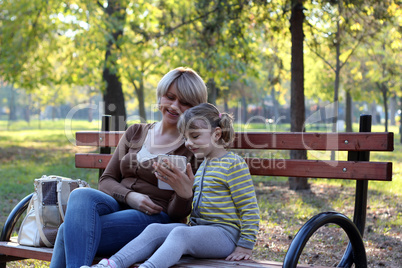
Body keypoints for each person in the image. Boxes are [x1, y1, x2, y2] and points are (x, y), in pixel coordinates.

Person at [50, 67, 208, 268]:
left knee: (66, 232)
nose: (175, 106)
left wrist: (184, 194)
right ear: (160, 96)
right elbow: (106, 180)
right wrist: (130, 197)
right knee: (81, 195)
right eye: (170, 97)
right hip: (118, 206)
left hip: (154, 219)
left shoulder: (192, 148)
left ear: (195, 108)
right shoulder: (136, 132)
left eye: (185, 102)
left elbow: (176, 216)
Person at [83, 103, 260, 268]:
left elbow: (249, 207)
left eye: (195, 136)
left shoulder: (233, 164)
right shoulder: (202, 164)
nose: (189, 143)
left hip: (224, 235)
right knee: (154, 229)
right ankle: (111, 264)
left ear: (217, 134)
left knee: (180, 234)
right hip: (199, 230)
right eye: (185, 138)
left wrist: (245, 245)